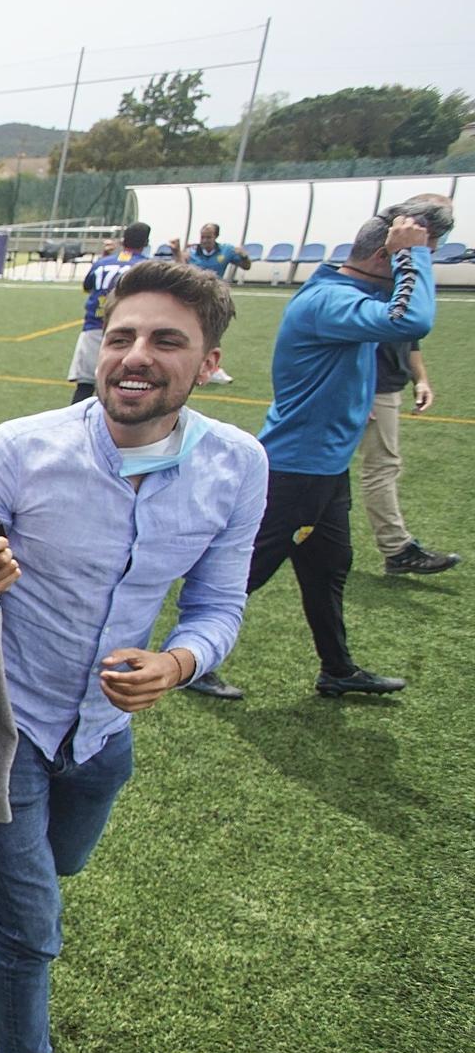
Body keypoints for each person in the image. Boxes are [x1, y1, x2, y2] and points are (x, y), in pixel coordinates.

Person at [0, 260, 267, 1053]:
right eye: (121, 336)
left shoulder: (240, 467)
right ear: (99, 347)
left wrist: (181, 661)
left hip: (104, 735)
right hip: (9, 724)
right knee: (35, 920)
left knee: (57, 863)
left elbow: (220, 604)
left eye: (165, 341)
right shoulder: (15, 451)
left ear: (209, 364)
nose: (136, 357)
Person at [187, 199, 447, 701]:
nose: (422, 266)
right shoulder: (328, 301)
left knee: (328, 570)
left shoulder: (346, 294)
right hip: (294, 470)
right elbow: (411, 321)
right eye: (418, 258)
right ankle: (192, 660)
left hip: (325, 470)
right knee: (241, 575)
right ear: (383, 258)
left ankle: (338, 668)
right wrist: (413, 255)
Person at [362, 338, 458, 575]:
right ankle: (397, 550)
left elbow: (410, 337)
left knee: (331, 466)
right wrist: (358, 388)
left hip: (384, 385)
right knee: (381, 467)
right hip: (371, 387)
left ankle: (304, 537)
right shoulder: (372, 299)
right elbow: (348, 333)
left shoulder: (404, 301)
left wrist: (421, 379)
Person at [67, 222, 152, 404]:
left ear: (123, 240)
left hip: (94, 327)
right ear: (145, 243)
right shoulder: (146, 267)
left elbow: (87, 287)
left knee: (85, 385)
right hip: (127, 333)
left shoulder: (102, 263)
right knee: (117, 386)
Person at [175, 223, 250, 384]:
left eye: (208, 237)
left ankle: (211, 369)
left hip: (216, 299)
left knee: (213, 332)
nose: (205, 240)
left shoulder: (226, 251)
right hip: (193, 298)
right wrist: (178, 254)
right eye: (202, 236)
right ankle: (196, 367)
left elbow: (246, 266)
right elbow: (180, 269)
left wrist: (244, 256)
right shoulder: (192, 252)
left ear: (216, 237)